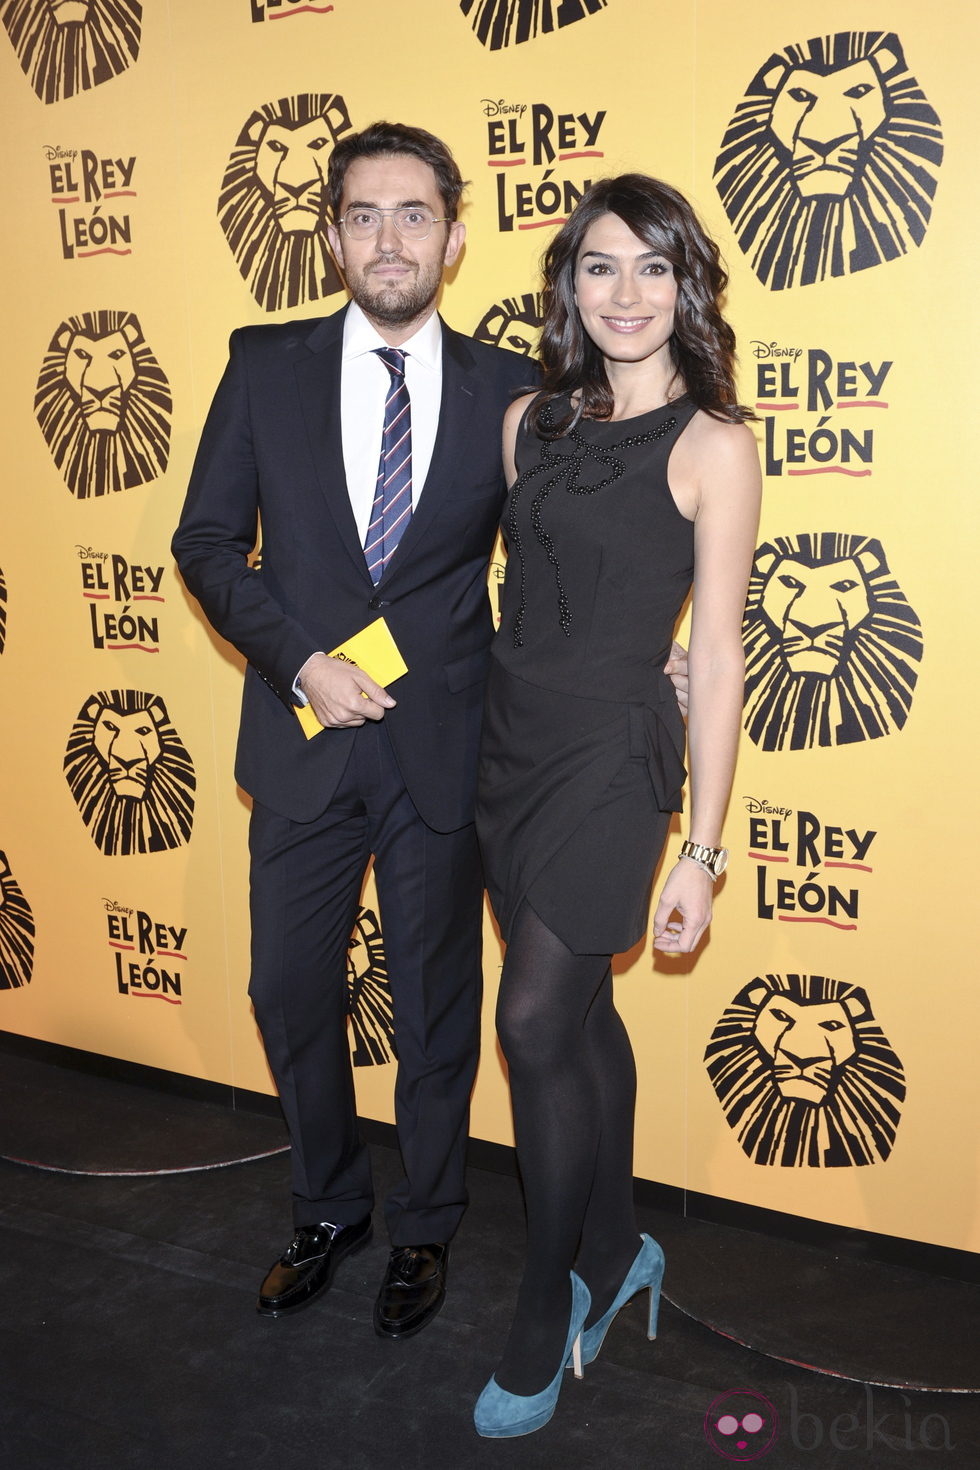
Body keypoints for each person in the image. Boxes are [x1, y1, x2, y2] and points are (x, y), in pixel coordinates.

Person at [173, 122, 689, 1342]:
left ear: (455, 239)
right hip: (301, 737)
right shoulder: (262, 367)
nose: (389, 237)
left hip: (450, 746)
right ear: (332, 234)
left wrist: (644, 644)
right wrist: (300, 657)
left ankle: (425, 1224)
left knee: (439, 1003)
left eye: (414, 215)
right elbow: (204, 545)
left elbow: (589, 533)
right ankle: (326, 1204)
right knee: (290, 990)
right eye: (363, 215)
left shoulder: (522, 395)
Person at [472, 174, 762, 1437]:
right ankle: (623, 1244)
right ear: (569, 285)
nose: (626, 294)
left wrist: (699, 848)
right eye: (601, 267)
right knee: (579, 1012)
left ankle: (550, 1299)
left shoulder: (714, 445)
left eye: (653, 269)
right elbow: (515, 586)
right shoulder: (526, 422)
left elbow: (717, 652)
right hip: (507, 745)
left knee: (531, 1020)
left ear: (685, 286)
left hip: (608, 762)